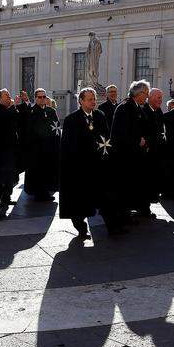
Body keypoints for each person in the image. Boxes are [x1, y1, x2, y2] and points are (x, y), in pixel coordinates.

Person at [59, 87, 123, 238]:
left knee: (106, 198)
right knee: (80, 202)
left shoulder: (100, 116)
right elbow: (68, 146)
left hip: (99, 166)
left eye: (94, 99)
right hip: (80, 168)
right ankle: (81, 228)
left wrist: (108, 156)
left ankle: (113, 228)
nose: (93, 102)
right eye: (89, 99)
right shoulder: (71, 120)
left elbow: (106, 138)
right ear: (80, 101)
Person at [110, 80, 150, 221]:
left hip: (135, 154)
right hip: (125, 155)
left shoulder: (136, 106)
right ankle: (123, 215)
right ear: (138, 93)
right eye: (146, 93)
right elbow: (121, 133)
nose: (147, 96)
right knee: (125, 185)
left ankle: (133, 210)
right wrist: (138, 140)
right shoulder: (125, 107)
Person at [23, 88, 60, 201]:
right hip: (37, 148)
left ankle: (46, 192)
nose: (43, 99)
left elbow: (56, 127)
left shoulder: (51, 111)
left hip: (49, 147)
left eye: (44, 97)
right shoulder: (32, 112)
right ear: (35, 98)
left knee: (48, 171)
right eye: (40, 97)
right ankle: (39, 193)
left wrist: (56, 142)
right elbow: (29, 130)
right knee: (38, 172)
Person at [0, 89, 21, 210]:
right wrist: (13, 107)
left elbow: (19, 120)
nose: (9, 97)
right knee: (1, 176)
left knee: (10, 175)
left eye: (9, 95)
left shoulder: (12, 109)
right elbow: (4, 118)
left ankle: (7, 197)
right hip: (0, 149)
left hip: (12, 148)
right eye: (6, 95)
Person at [141, 88, 166, 209]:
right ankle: (143, 207)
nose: (160, 100)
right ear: (149, 97)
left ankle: (148, 205)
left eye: (161, 98)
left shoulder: (159, 110)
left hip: (156, 152)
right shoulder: (143, 110)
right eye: (158, 97)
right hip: (146, 153)